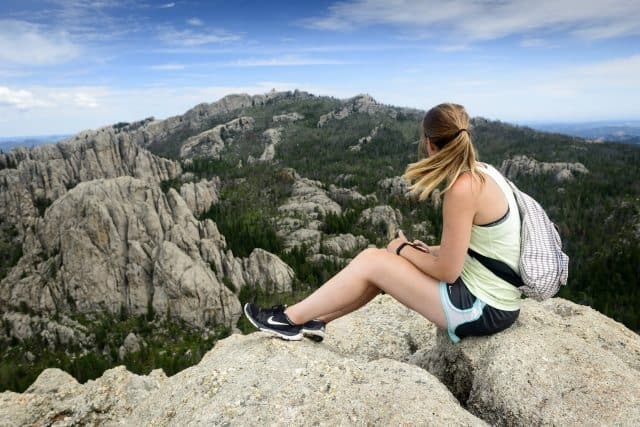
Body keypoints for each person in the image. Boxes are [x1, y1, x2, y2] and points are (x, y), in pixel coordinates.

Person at [244, 103, 522, 343]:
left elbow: (448, 272)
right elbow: (481, 247)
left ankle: (287, 320)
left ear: (429, 143)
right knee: (381, 264)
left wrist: (402, 250)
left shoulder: (463, 189)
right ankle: (315, 320)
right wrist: (430, 250)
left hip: (482, 309)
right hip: (497, 301)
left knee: (373, 261)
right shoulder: (485, 173)